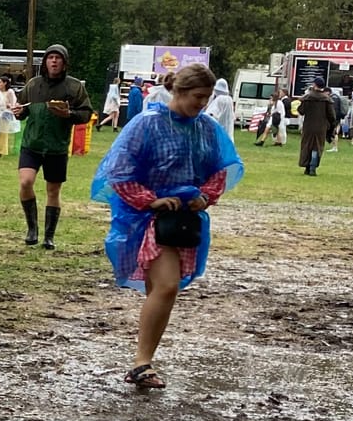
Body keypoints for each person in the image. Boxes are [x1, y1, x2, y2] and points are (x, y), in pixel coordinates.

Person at [92, 63, 242, 390]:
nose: (202, 104)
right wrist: (150, 201)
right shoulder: (147, 124)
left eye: (206, 98)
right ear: (179, 91)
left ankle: (143, 361)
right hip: (148, 220)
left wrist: (206, 195)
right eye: (197, 97)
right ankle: (141, 363)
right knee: (166, 286)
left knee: (162, 291)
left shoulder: (206, 128)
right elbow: (118, 171)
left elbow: (222, 167)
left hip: (185, 221)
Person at [10, 43, 94, 250]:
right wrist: (18, 111)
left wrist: (69, 114)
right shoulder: (33, 85)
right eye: (50, 58)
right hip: (32, 144)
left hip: (57, 146)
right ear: (45, 62)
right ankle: (32, 228)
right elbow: (23, 110)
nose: (54, 61)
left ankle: (49, 236)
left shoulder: (74, 87)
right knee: (25, 182)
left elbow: (85, 113)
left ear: (64, 63)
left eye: (58, 58)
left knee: (53, 191)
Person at [297, 78, 336, 176]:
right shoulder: (327, 99)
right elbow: (332, 116)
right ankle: (313, 167)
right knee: (317, 146)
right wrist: (331, 126)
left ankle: (306, 167)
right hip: (321, 127)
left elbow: (301, 111)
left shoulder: (308, 97)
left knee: (307, 145)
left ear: (314, 85)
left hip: (308, 126)